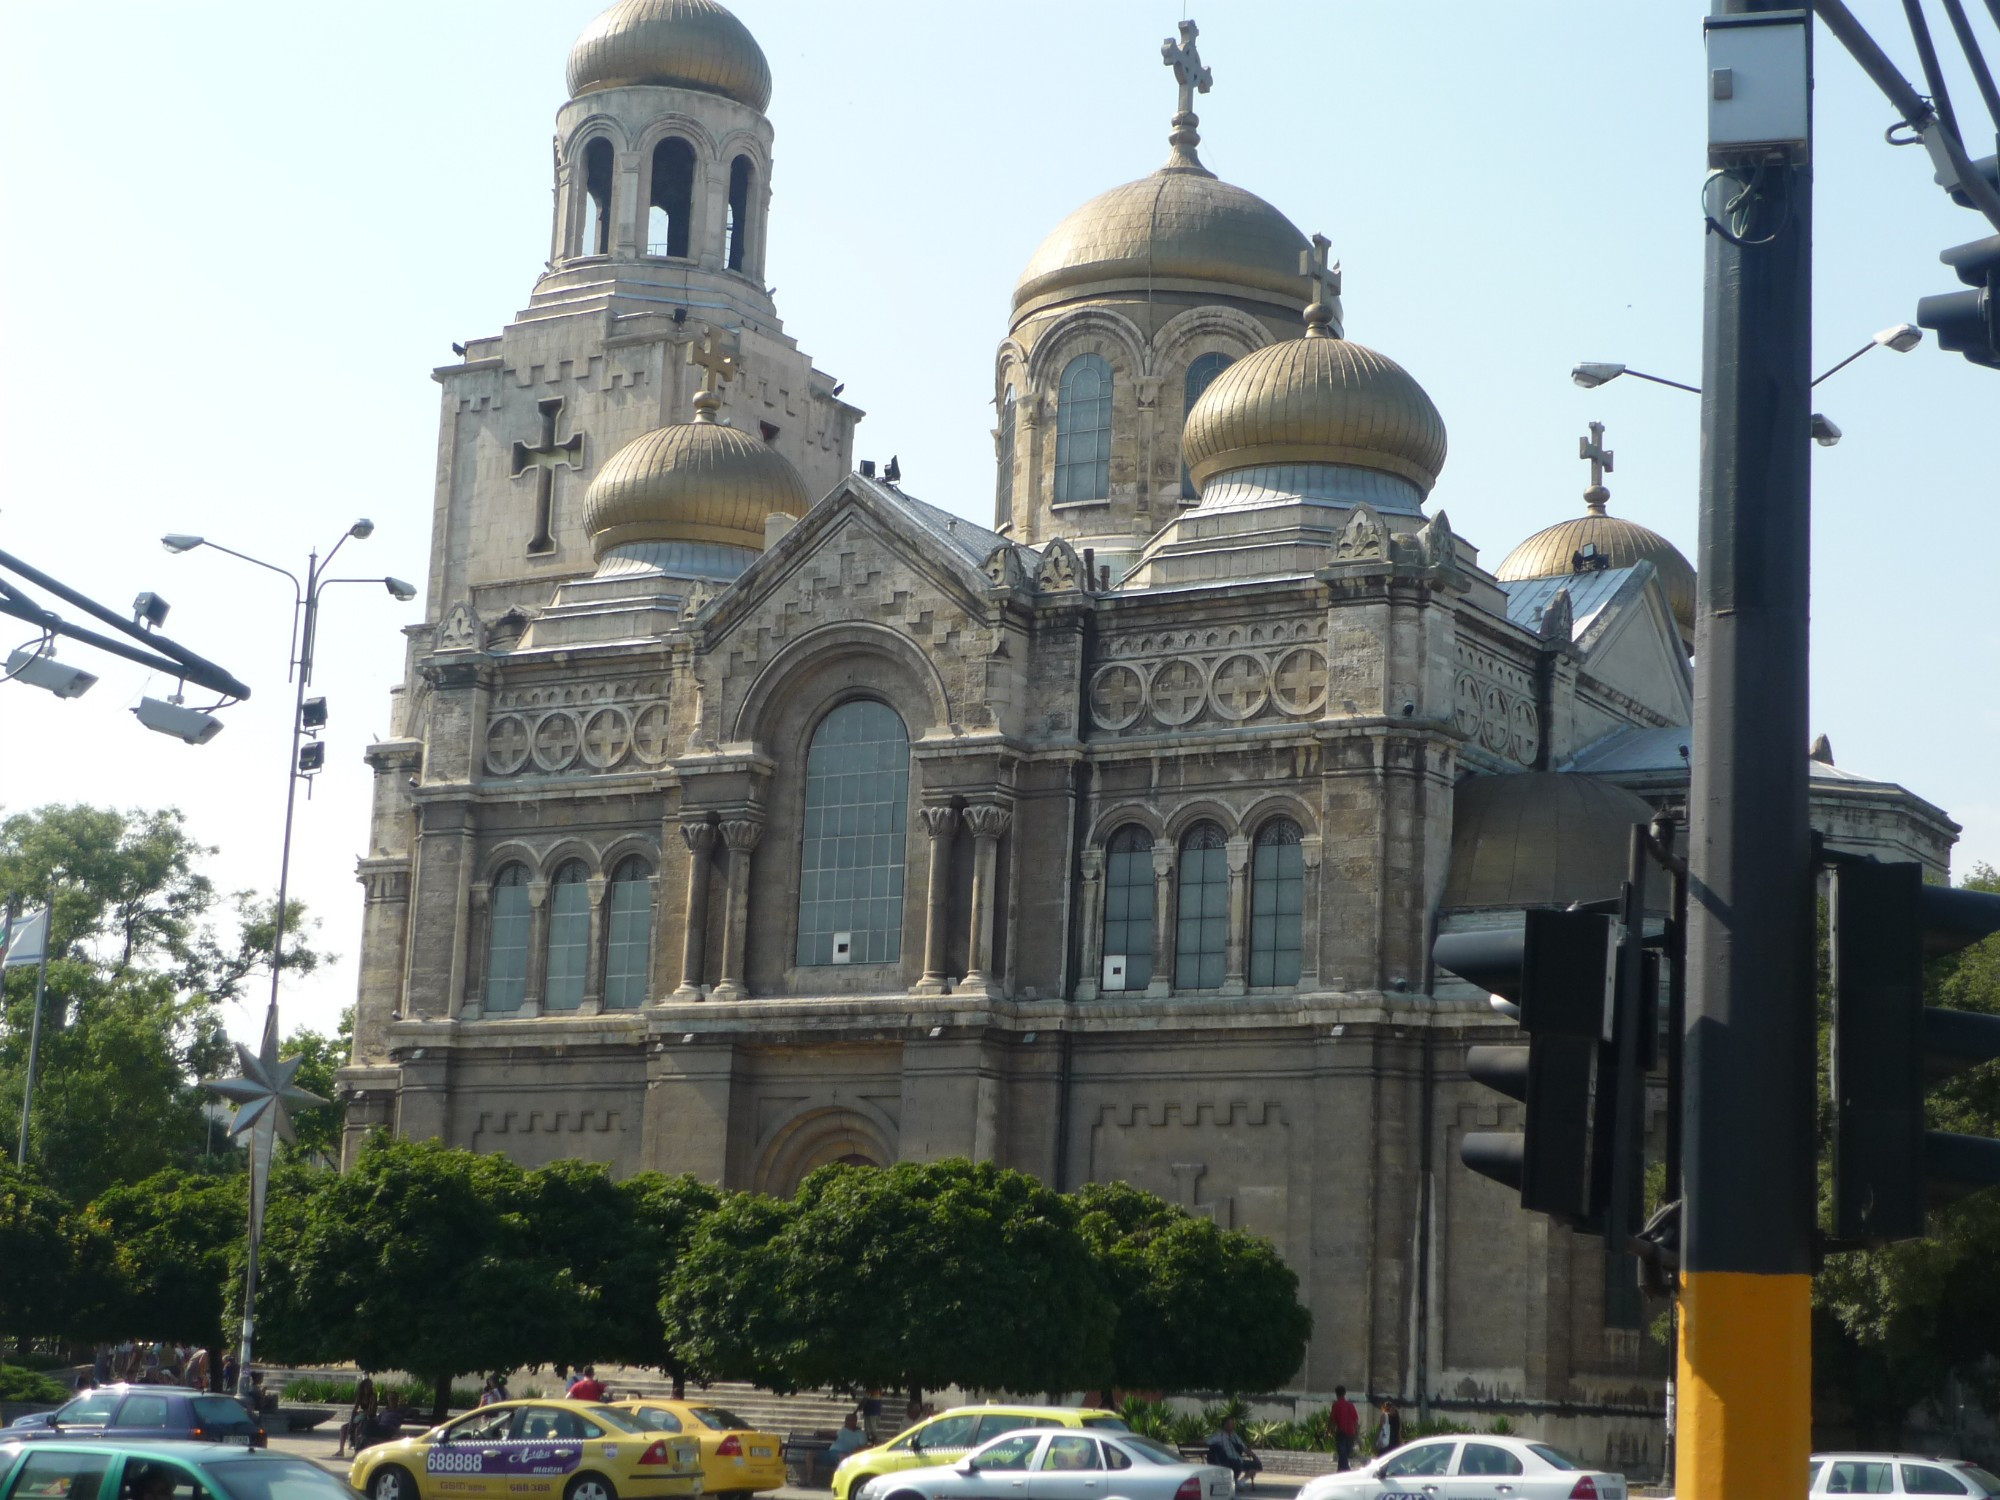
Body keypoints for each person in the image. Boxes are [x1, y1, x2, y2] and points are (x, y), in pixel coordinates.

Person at [1206, 1417, 1261, 1487]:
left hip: (1238, 1459)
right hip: (1227, 1459)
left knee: (1257, 1465)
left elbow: (1244, 1447)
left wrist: (1254, 1456)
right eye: (1231, 1424)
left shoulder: (1234, 1435)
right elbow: (1206, 1442)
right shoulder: (1219, 1435)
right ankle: (1233, 1483)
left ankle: (1241, 1482)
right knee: (1236, 1464)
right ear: (1225, 1425)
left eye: (1233, 1424)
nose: (1233, 1426)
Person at [334, 1375, 378, 1458]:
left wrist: (363, 1413)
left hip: (370, 1419)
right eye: (367, 1387)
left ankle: (356, 1451)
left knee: (358, 1429)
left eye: (370, 1386)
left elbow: (372, 1411)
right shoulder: (360, 1396)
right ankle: (341, 1451)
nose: (368, 1388)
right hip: (361, 1417)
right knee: (344, 1428)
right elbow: (355, 1409)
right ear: (363, 1387)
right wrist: (351, 1421)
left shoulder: (373, 1396)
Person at [1329, 1386, 1360, 1472]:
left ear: (1336, 1394)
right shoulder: (1350, 1405)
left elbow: (1332, 1420)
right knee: (1345, 1453)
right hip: (1350, 1432)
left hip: (1341, 1432)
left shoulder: (1336, 1405)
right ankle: (1340, 1470)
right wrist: (1357, 1433)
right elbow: (1355, 1420)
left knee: (1342, 1453)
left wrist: (1329, 1431)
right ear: (1344, 1393)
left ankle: (1346, 1469)